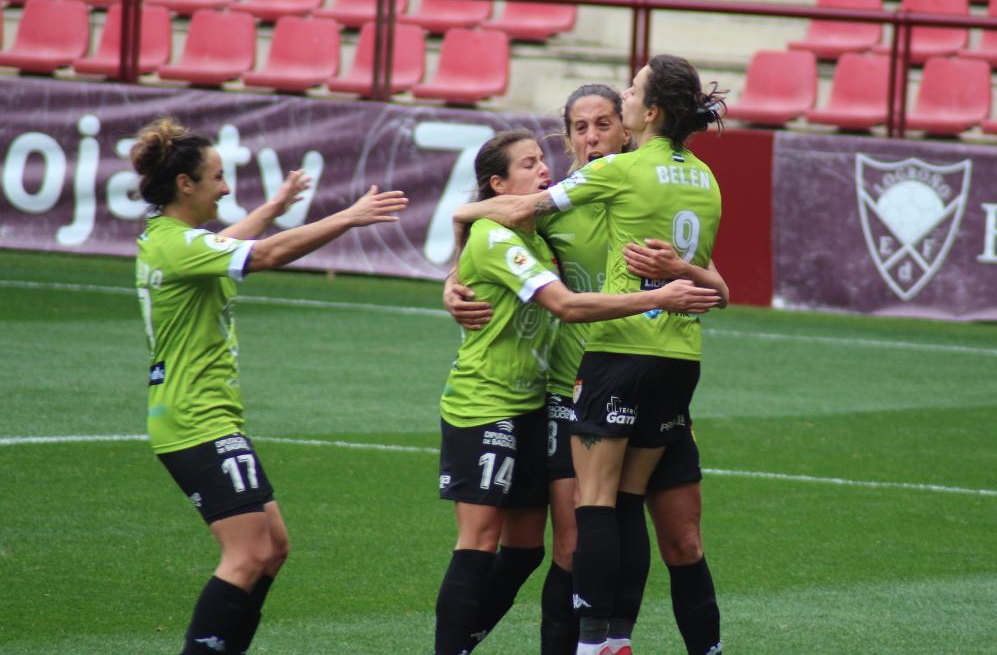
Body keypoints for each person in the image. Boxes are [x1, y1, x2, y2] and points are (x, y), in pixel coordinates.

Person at [451, 56, 729, 655]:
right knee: (575, 539)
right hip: (573, 383)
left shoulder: (624, 183)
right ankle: (596, 643)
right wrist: (453, 278)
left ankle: (606, 641)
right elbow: (501, 246)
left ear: (634, 121)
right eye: (580, 126)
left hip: (623, 363)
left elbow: (715, 284)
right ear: (568, 133)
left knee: (673, 535)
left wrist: (461, 210)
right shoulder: (567, 204)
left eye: (606, 119)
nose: (593, 134)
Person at [131, 117, 408, 655]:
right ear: (185, 185)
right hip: (195, 421)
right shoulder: (178, 247)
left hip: (205, 418)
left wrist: (273, 209)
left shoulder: (170, 240)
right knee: (246, 555)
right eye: (217, 177)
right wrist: (348, 217)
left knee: (273, 547)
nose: (227, 187)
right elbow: (268, 255)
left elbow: (225, 242)